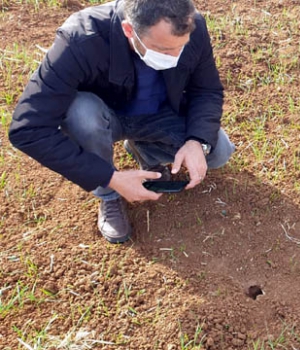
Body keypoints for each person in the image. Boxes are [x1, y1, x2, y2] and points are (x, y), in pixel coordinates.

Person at [9, 0, 235, 243]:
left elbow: (206, 90)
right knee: (81, 113)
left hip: (158, 113)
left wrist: (196, 141)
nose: (175, 56)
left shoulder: (191, 24)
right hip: (103, 116)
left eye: (181, 47)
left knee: (217, 151)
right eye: (164, 50)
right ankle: (108, 197)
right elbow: (28, 128)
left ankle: (145, 152)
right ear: (129, 30)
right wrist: (110, 178)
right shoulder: (80, 39)